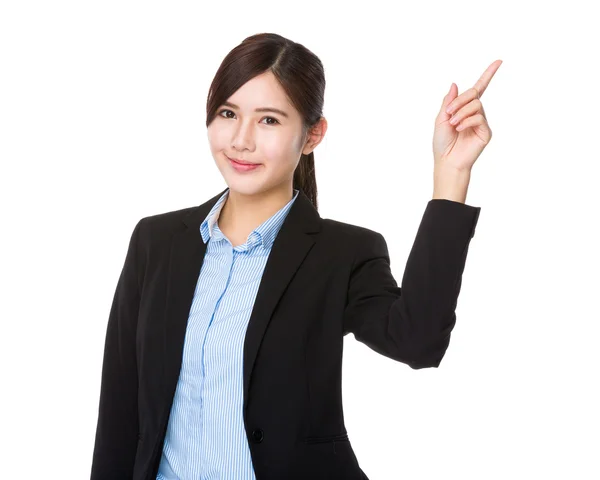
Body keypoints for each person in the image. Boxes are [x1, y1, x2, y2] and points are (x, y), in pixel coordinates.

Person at [90, 32, 500, 480]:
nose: (241, 140)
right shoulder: (157, 242)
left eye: (268, 120)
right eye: (228, 113)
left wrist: (451, 176)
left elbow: (419, 343)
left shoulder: (342, 253)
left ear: (312, 134)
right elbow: (120, 412)